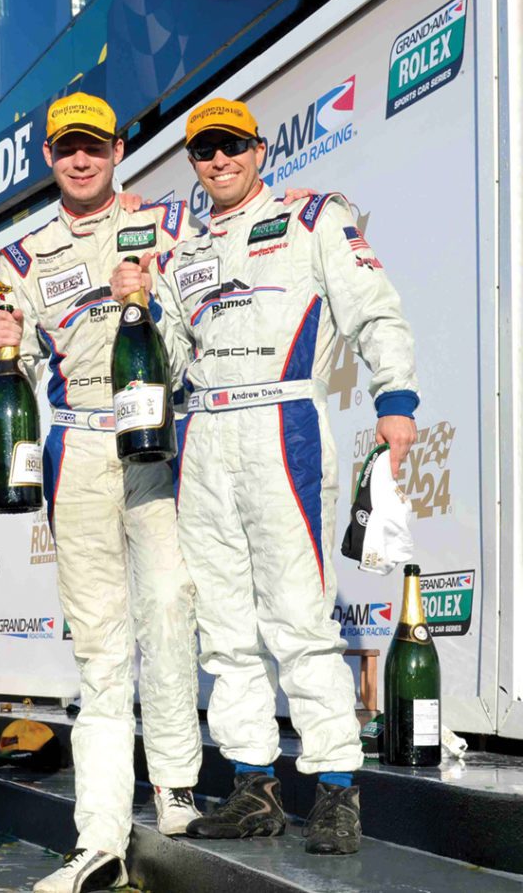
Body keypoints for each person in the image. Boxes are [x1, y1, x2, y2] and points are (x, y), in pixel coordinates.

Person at [114, 97, 418, 856]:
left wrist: (396, 399)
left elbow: (374, 310)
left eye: (232, 147)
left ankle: (338, 789)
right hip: (204, 437)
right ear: (195, 161)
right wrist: (141, 313)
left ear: (259, 149)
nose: (220, 161)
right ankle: (255, 783)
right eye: (206, 150)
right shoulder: (183, 254)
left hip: (284, 426)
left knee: (297, 617)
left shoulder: (315, 218)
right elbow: (175, 362)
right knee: (224, 628)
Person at [0, 92, 206, 893]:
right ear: (48, 156)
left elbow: (192, 334)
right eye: (67, 148)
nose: (81, 160)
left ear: (118, 150)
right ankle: (99, 831)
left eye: (95, 147)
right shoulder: (24, 256)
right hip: (76, 440)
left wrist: (149, 288)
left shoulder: (163, 222)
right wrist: (2, 345)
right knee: (102, 648)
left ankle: (179, 789)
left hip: (149, 437)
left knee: (172, 608)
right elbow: (14, 363)